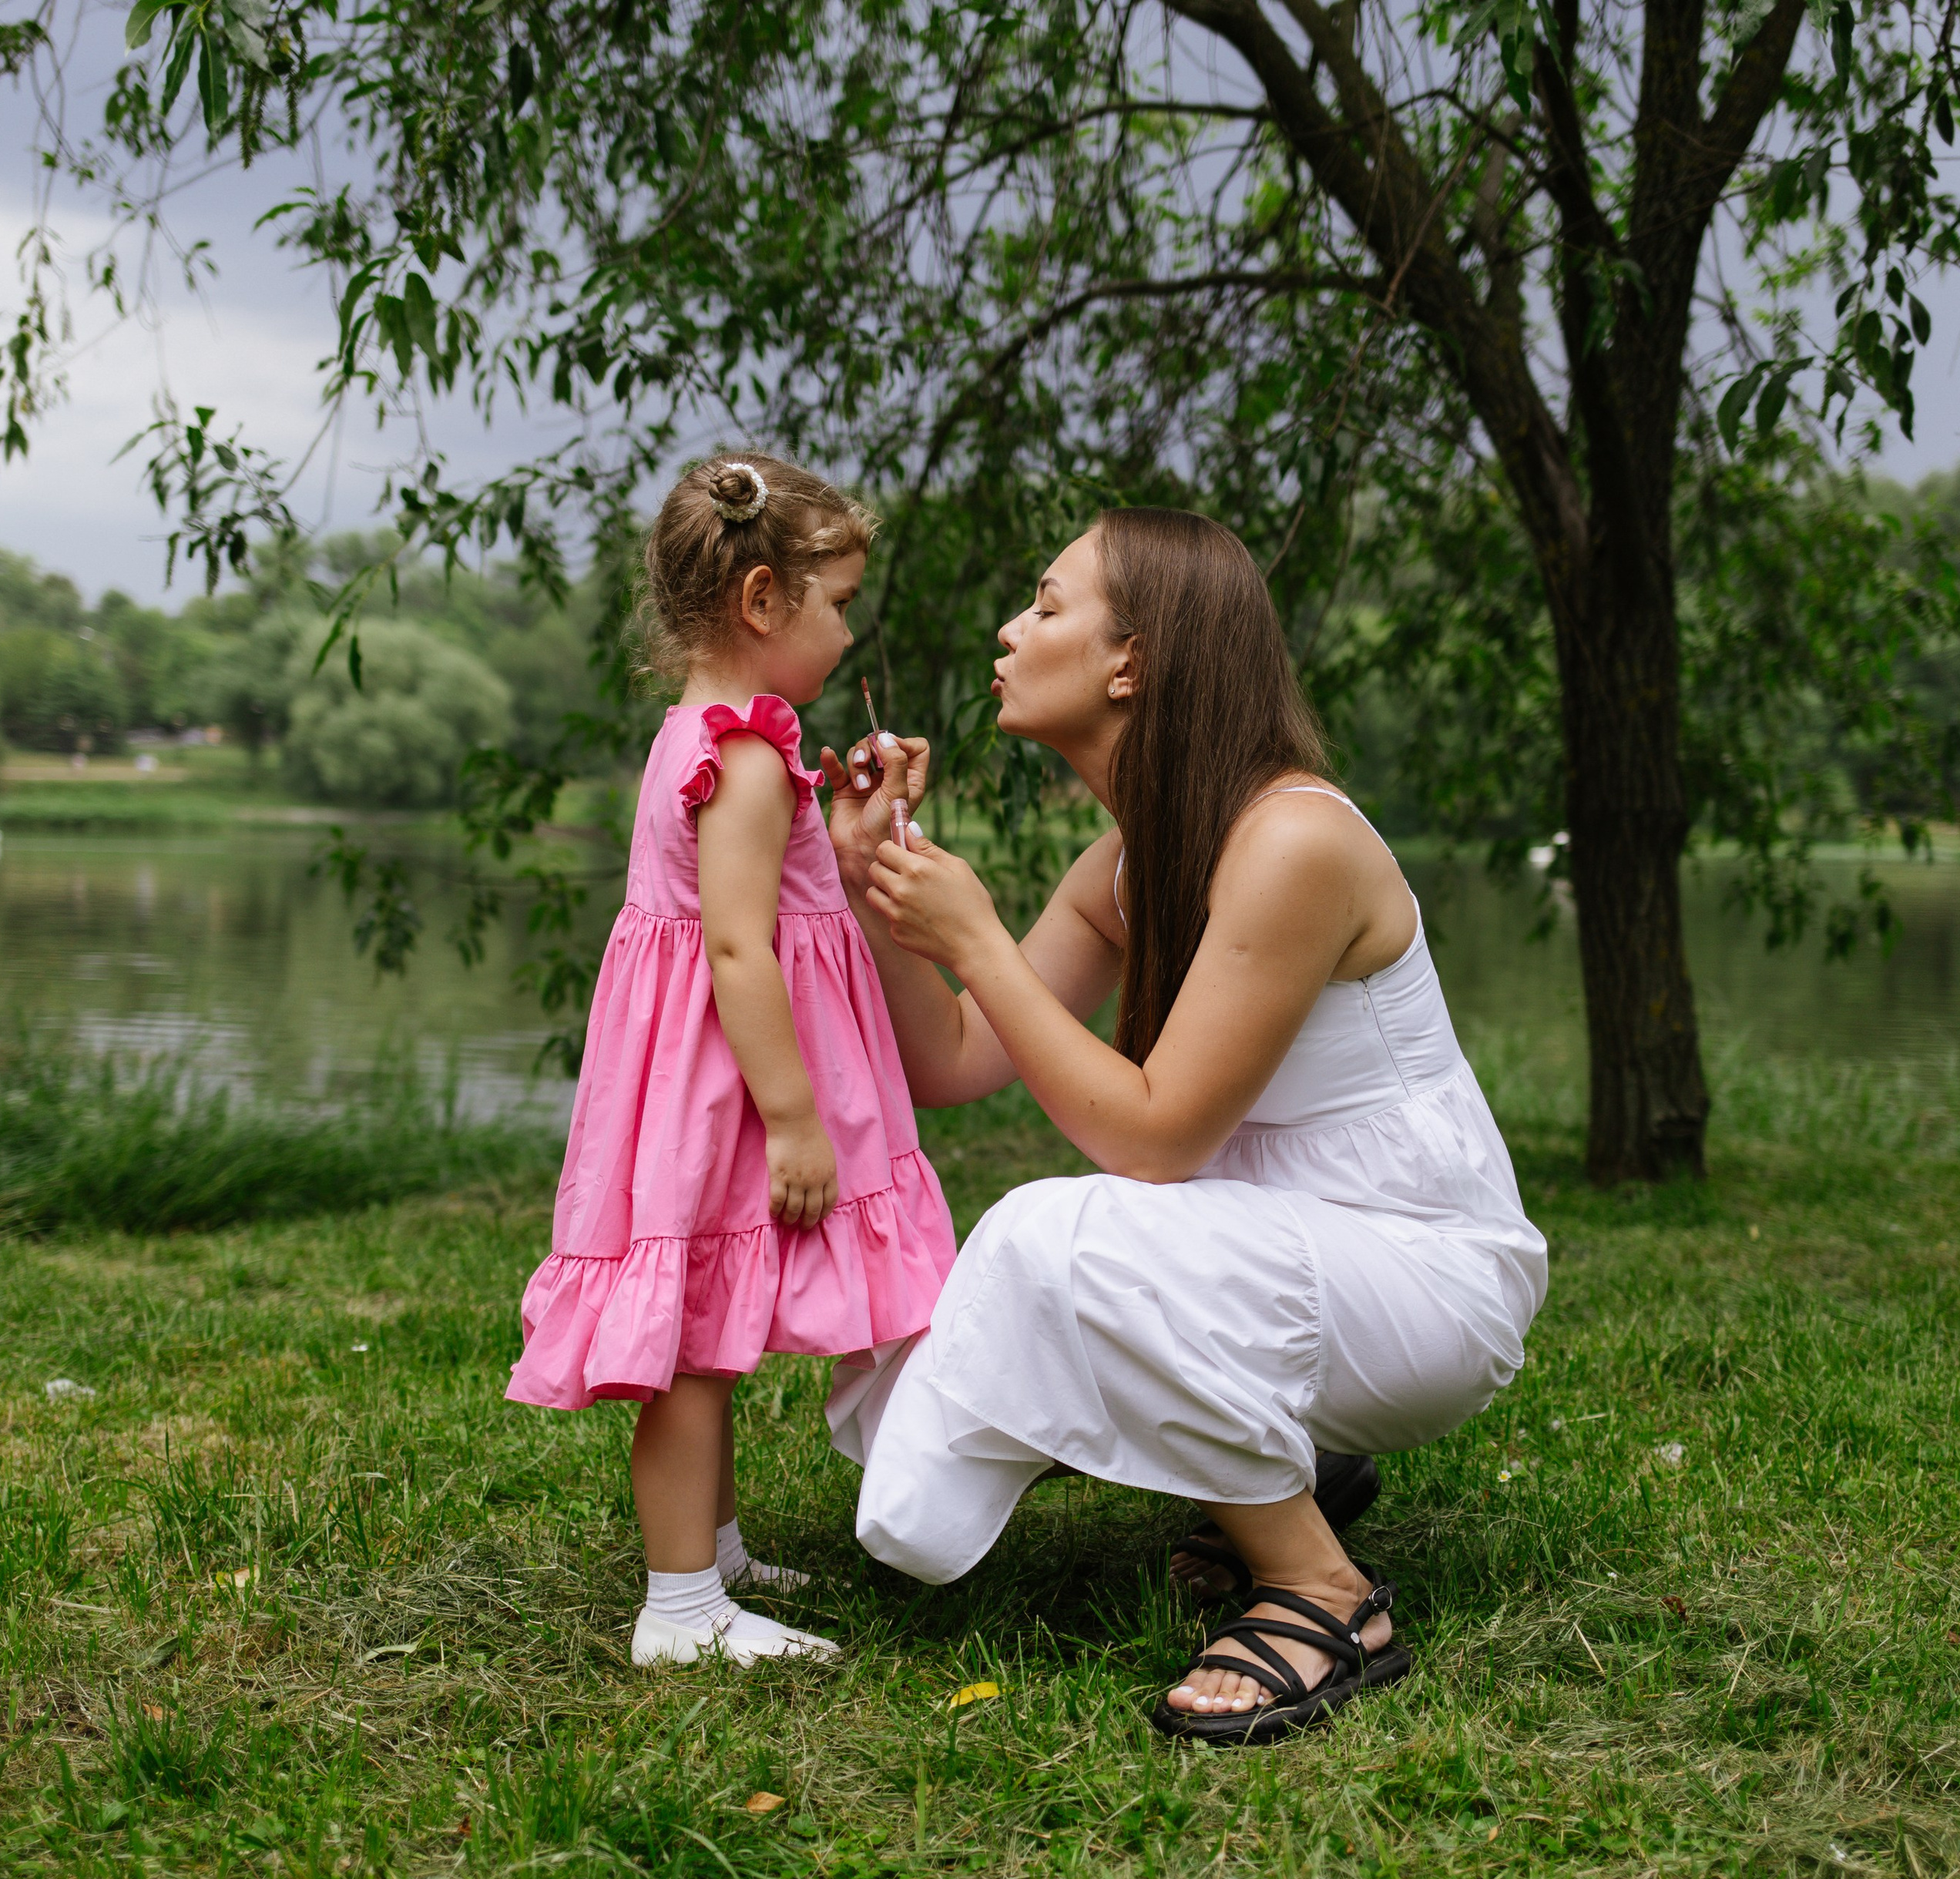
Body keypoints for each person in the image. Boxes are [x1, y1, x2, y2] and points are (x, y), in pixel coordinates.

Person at [822, 508, 1546, 1743]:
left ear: (1132, 663)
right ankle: (1289, 1454)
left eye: (1047, 605)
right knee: (917, 1389)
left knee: (1049, 1239)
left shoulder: (1294, 840)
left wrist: (979, 940)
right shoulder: (1125, 863)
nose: (1010, 630)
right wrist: (865, 884)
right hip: (1281, 1260)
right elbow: (953, 1057)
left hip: (1423, 1282)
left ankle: (1323, 1590)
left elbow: (1155, 1143)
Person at [506, 453, 956, 1669]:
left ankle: (715, 1548)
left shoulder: (713, 739)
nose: (849, 634)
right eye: (839, 604)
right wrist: (797, 1118)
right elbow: (741, 949)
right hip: (727, 1085)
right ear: (763, 601)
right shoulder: (746, 758)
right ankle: (681, 1607)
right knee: (692, 1355)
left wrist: (848, 822)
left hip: (697, 1077)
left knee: (707, 1318)